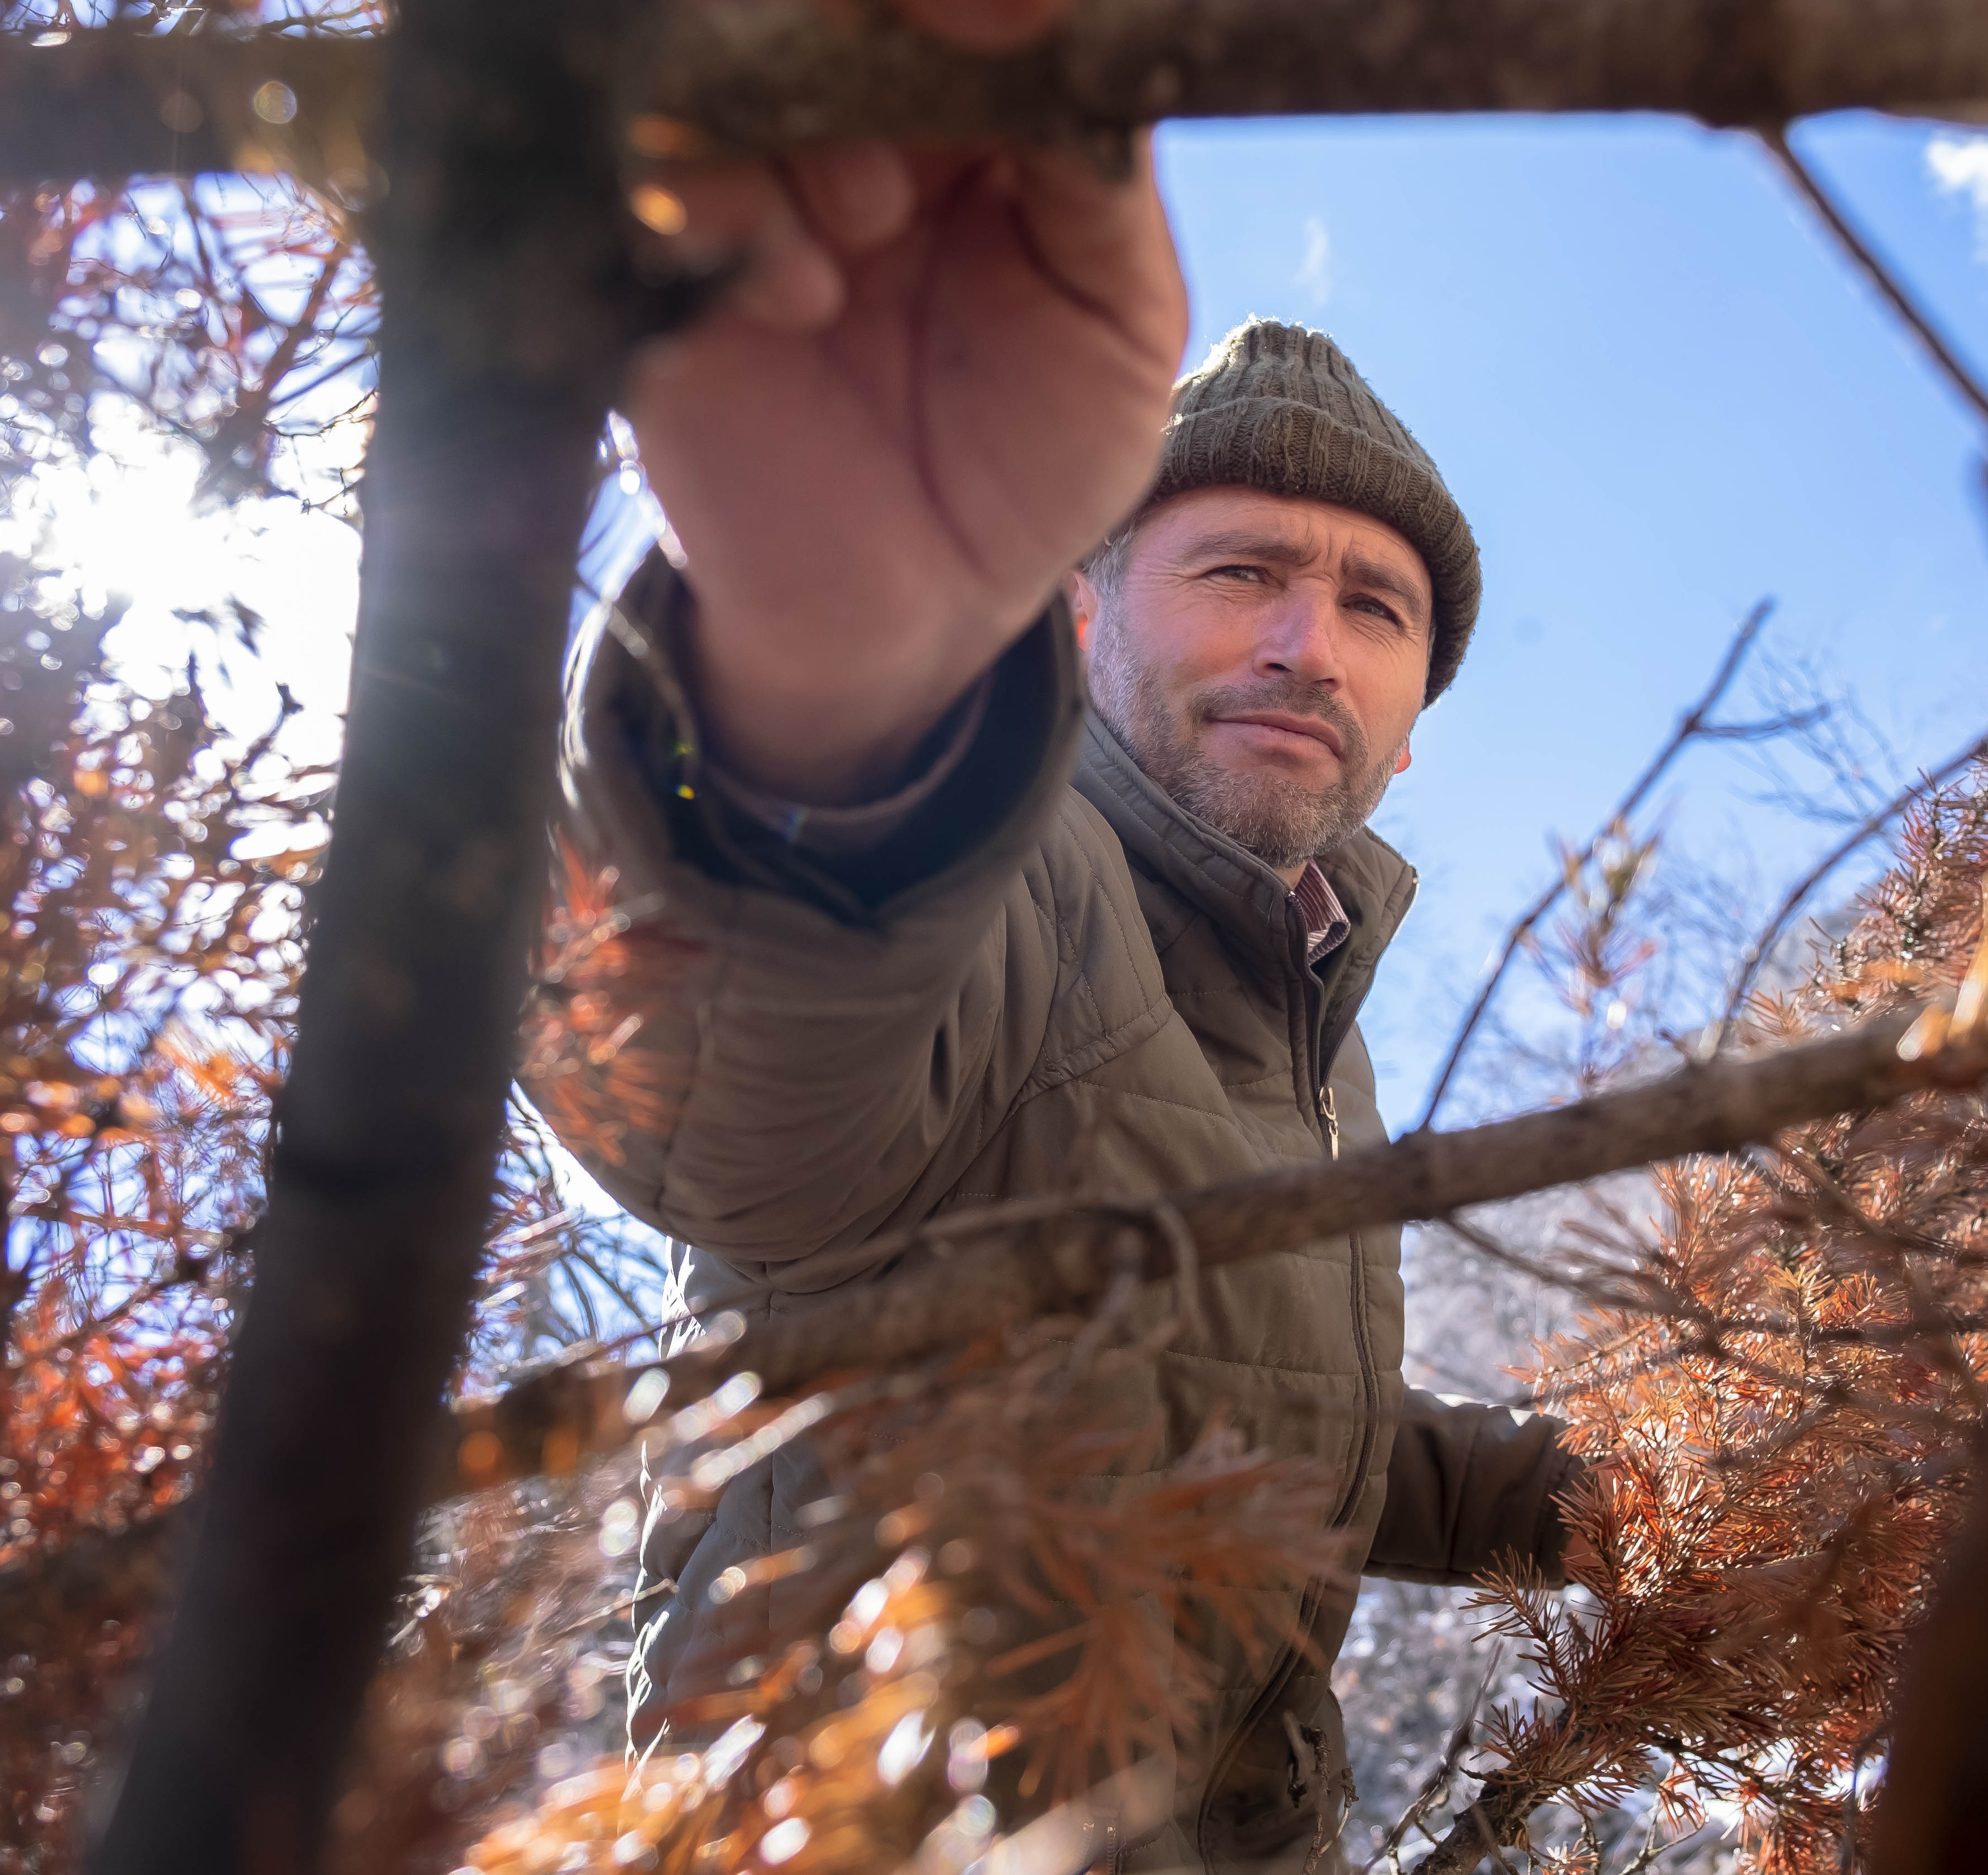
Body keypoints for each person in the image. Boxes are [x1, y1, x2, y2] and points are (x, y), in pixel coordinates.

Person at [525, 57, 1578, 1871]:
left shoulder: (1316, 1038)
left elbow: (1263, 1405)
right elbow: (730, 1085)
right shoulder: (1005, 886)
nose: (1308, 646)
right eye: (1241, 569)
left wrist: (1573, 1491)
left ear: (1412, 731)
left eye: (1373, 606)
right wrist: (832, 650)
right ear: (1080, 621)